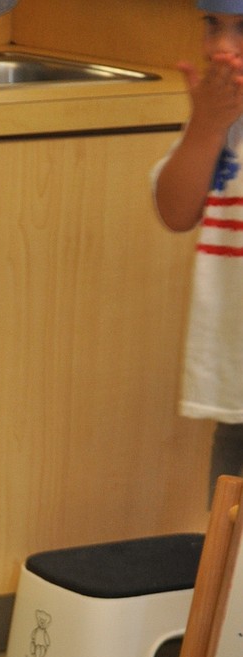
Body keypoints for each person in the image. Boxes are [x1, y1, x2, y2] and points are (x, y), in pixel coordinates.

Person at [153, 1, 243, 494]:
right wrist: (206, 127)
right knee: (229, 533)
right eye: (213, 25)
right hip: (237, 395)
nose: (221, 48)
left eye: (242, 28)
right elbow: (175, 210)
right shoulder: (223, 115)